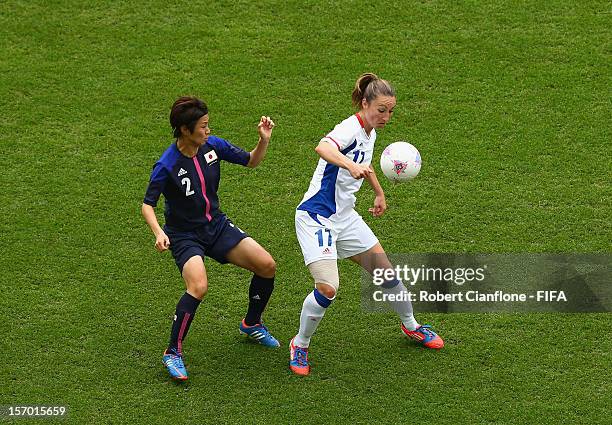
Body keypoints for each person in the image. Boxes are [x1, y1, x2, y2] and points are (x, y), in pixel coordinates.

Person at [289, 73, 444, 376]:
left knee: (387, 274)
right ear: (364, 103)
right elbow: (323, 147)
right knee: (328, 287)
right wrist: (348, 164)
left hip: (345, 218)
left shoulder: (370, 131)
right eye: (381, 110)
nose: (386, 117)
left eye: (391, 111)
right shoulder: (349, 128)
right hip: (317, 217)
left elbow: (365, 163)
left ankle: (411, 326)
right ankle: (300, 344)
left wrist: (378, 192)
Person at [142, 96, 279, 381]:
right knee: (198, 286)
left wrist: (263, 140)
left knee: (267, 265)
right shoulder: (166, 165)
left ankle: (251, 323)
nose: (207, 130)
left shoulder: (212, 146)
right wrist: (159, 232)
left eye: (208, 125)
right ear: (184, 129)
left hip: (216, 226)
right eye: (202, 126)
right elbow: (147, 204)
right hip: (183, 236)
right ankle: (172, 352)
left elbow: (251, 161)